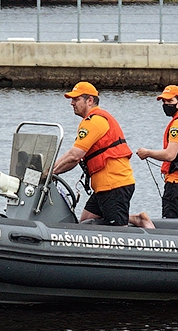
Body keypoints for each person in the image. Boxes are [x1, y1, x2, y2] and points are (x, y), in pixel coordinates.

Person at [51, 81, 153, 228]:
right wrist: (52, 170)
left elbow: (75, 155)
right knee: (86, 222)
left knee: (118, 233)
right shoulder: (90, 121)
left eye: (76, 99)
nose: (72, 103)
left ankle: (140, 229)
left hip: (114, 185)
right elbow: (72, 154)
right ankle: (136, 219)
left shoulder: (95, 121)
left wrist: (51, 172)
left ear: (90, 101)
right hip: (103, 187)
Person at [136, 85, 178, 220]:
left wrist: (147, 153)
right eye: (164, 102)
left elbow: (170, 155)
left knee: (173, 229)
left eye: (170, 101)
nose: (166, 104)